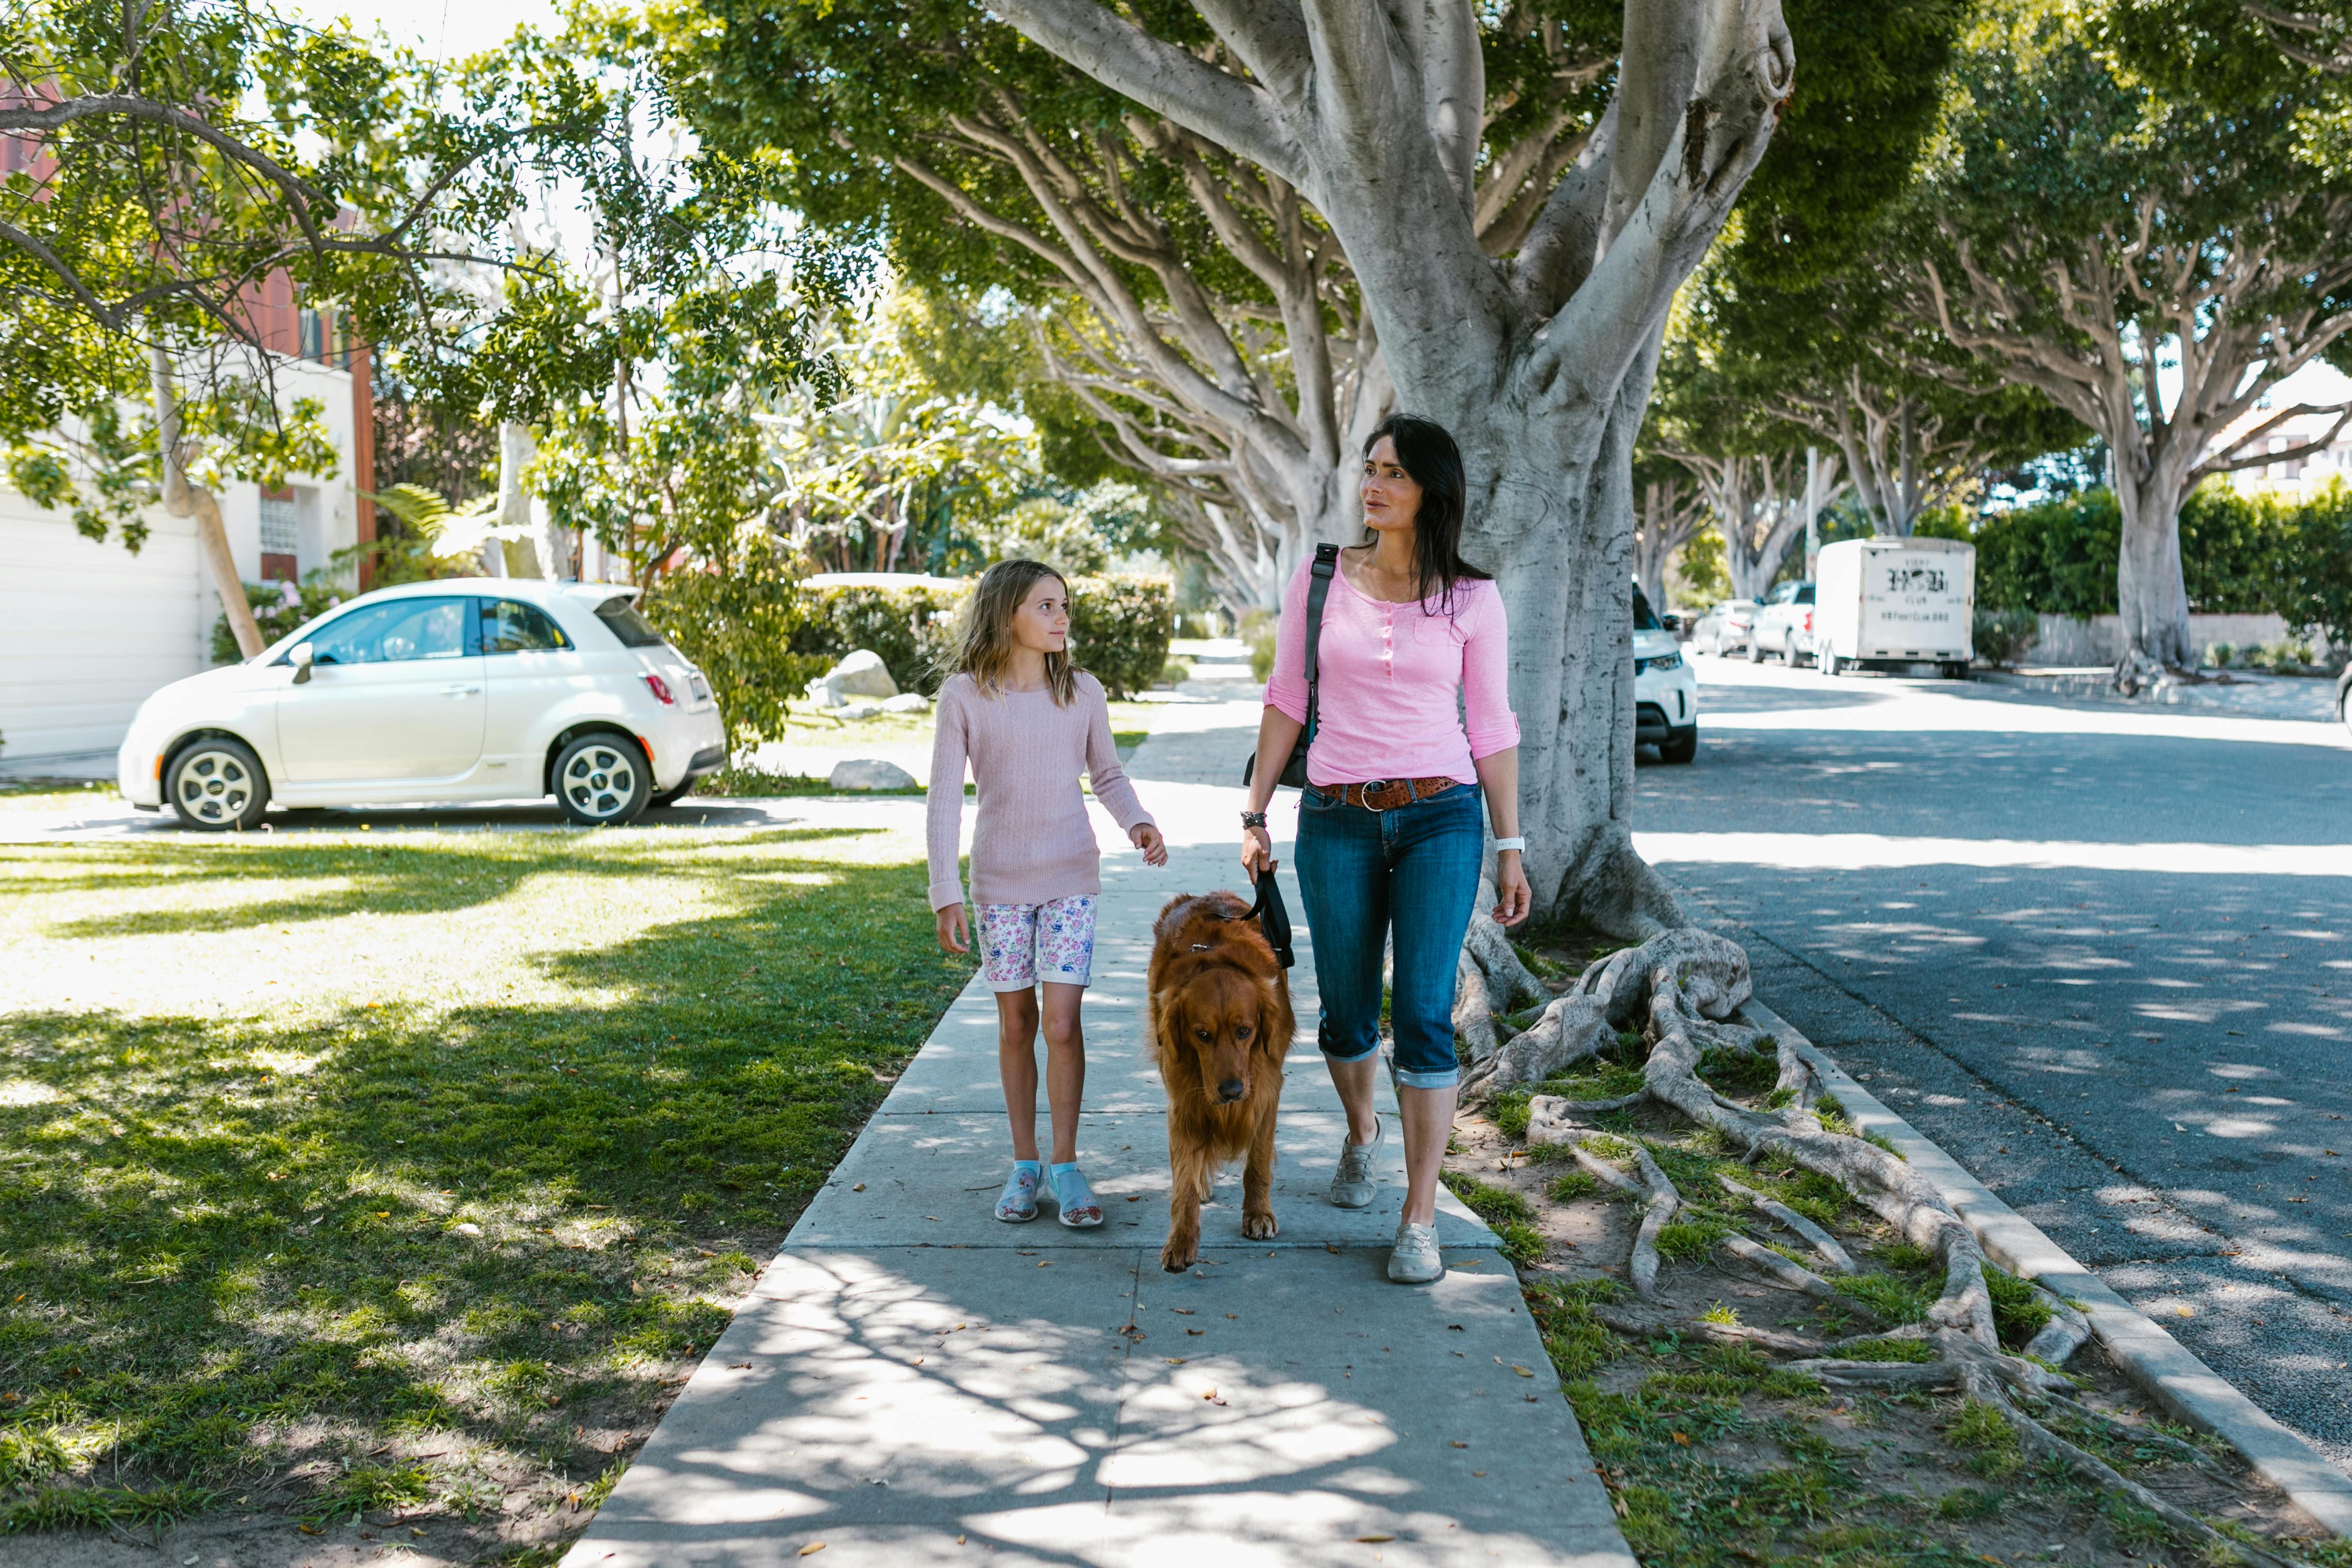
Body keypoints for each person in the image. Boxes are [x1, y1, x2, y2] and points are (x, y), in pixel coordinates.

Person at [1241, 414, 1532, 1284]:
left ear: (1431, 493)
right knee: (1344, 1010)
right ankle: (1363, 1132)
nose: (1374, 485)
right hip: (1335, 813)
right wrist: (1254, 812)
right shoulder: (1322, 577)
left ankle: (1419, 1218)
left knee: (1424, 1017)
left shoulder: (1473, 599)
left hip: (1443, 813)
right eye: (1371, 469)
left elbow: (1491, 725)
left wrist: (1510, 846)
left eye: (1395, 474)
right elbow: (1288, 693)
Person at [928, 559, 1169, 1228]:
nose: (1063, 617)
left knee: (1062, 1024)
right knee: (1016, 1025)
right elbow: (945, 798)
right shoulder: (965, 696)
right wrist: (945, 890)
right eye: (1046, 606)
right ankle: (1025, 1163)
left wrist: (1138, 821)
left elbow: (1108, 773)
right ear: (1008, 614)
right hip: (1000, 885)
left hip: (1071, 877)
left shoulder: (1082, 692)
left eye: (1064, 605)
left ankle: (1065, 1165)